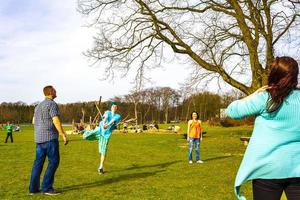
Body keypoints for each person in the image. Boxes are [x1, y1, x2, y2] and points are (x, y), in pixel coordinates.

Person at [226, 56, 300, 200]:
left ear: (274, 74)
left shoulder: (265, 98)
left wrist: (253, 94)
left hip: (267, 169)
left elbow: (231, 111)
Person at [29, 85, 68, 195]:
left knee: (38, 163)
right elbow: (56, 121)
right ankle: (46, 188)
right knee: (54, 162)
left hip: (39, 139)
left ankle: (33, 189)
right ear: (51, 92)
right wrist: (63, 134)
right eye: (55, 90)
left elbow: (33, 122)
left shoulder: (37, 106)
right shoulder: (52, 104)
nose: (56, 91)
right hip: (50, 138)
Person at [83, 102, 121, 174]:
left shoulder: (118, 116)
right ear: (111, 107)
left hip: (106, 135)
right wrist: (103, 123)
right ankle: (87, 130)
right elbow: (105, 118)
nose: (114, 107)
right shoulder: (107, 112)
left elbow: (113, 121)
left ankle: (100, 167)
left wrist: (107, 125)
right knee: (85, 136)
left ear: (117, 108)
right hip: (99, 130)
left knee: (103, 151)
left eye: (116, 107)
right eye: (113, 106)